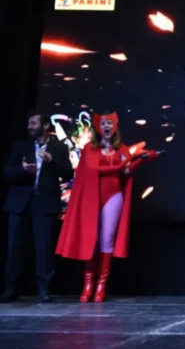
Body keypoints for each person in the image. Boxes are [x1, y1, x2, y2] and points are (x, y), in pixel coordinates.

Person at [55, 112, 160, 302]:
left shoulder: (122, 149)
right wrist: (123, 164)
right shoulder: (89, 149)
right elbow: (94, 170)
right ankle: (88, 284)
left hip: (113, 196)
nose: (106, 126)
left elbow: (126, 171)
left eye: (110, 123)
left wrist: (142, 160)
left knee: (106, 239)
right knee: (91, 239)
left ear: (115, 127)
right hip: (91, 198)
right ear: (97, 127)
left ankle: (101, 285)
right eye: (103, 123)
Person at [1, 111, 73, 302]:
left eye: (33, 123)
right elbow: (7, 172)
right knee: (14, 247)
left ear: (45, 126)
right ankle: (11, 288)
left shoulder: (58, 147)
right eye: (29, 123)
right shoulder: (20, 145)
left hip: (44, 203)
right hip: (20, 203)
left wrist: (51, 161)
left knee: (43, 247)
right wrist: (23, 170)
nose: (29, 126)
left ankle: (43, 289)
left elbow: (68, 173)